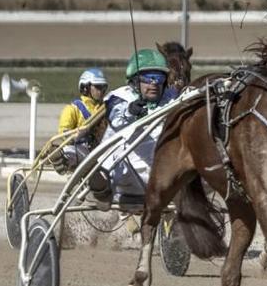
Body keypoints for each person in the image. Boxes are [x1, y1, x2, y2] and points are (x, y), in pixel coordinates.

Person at [89, 49, 175, 210]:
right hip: (126, 176)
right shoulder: (120, 98)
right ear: (135, 81)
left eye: (159, 78)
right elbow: (116, 118)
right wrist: (130, 112)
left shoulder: (173, 98)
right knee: (115, 156)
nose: (154, 83)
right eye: (148, 78)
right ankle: (102, 188)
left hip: (161, 175)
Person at [49, 68, 109, 173]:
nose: (102, 91)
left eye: (104, 87)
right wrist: (78, 135)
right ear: (85, 88)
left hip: (103, 150)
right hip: (81, 150)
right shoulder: (73, 109)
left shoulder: (106, 107)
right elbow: (64, 133)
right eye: (98, 87)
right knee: (69, 151)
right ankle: (61, 160)